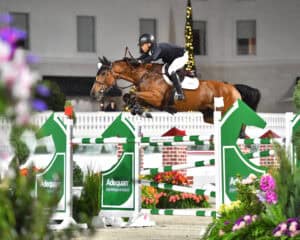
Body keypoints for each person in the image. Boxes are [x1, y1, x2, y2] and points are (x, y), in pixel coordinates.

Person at [137, 33, 188, 101]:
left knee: (171, 70)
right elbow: (143, 57)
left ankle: (180, 93)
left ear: (149, 44)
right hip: (173, 58)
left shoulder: (157, 48)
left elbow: (153, 57)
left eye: (142, 45)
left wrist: (141, 62)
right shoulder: (151, 49)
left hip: (182, 56)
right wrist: (134, 60)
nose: (141, 47)